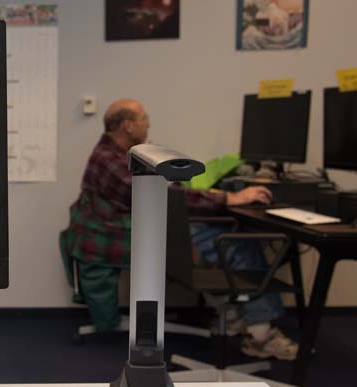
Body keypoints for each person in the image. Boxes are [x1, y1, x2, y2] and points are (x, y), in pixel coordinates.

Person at [63, 98, 298, 361]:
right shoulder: (112, 162)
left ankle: (232, 316)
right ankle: (260, 333)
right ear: (128, 126)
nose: (148, 124)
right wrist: (228, 198)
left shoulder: (113, 154)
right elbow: (165, 197)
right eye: (144, 119)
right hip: (125, 234)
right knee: (232, 240)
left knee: (214, 231)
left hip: (120, 229)